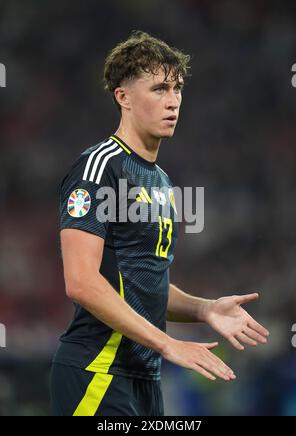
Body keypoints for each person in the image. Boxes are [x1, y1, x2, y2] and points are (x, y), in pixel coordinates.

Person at [50, 30, 269, 416]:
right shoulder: (99, 168)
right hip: (97, 373)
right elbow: (80, 281)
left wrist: (205, 310)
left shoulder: (162, 182)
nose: (173, 102)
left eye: (178, 89)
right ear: (124, 98)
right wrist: (168, 344)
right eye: (159, 89)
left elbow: (143, 284)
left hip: (145, 381)